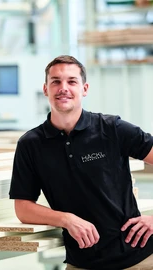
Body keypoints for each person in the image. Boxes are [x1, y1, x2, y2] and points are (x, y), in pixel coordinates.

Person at [9, 55, 153, 269]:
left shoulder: (112, 129)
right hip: (82, 262)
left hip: (139, 258)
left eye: (72, 81)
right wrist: (65, 219)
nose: (63, 87)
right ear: (46, 89)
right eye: (55, 81)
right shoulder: (31, 144)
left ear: (84, 89)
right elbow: (23, 208)